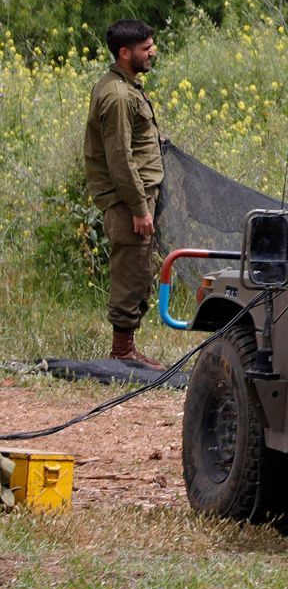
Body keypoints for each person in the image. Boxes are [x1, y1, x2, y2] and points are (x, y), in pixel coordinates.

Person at [84, 19, 166, 368]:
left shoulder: (125, 86)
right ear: (124, 53)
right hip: (127, 201)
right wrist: (138, 208)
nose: (152, 52)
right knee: (130, 272)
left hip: (136, 197)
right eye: (145, 48)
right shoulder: (117, 95)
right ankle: (122, 352)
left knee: (138, 269)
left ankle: (126, 348)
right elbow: (120, 158)